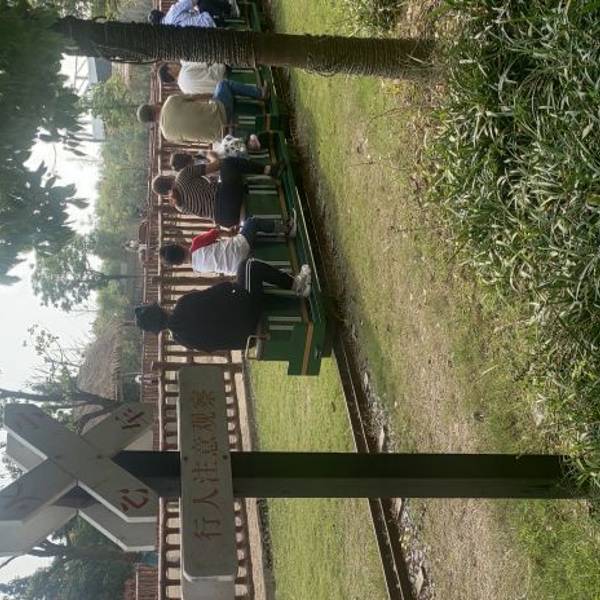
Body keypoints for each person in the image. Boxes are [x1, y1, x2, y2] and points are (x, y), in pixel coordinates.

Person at [134, 259, 312, 352]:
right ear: (159, 309)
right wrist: (232, 285)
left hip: (248, 338)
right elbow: (216, 293)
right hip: (244, 312)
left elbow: (212, 346)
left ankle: (300, 303)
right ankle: (296, 285)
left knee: (253, 298)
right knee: (248, 266)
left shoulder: (181, 340)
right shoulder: (182, 305)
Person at [152, 155, 282, 227]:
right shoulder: (182, 175)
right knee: (228, 163)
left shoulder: (178, 206)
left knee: (230, 182)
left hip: (226, 220)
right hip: (227, 198)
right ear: (167, 177)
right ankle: (267, 170)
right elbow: (218, 165)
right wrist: (211, 155)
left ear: (164, 194)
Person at [159, 214, 296, 276]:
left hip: (238, 269)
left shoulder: (197, 269)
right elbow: (216, 232)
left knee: (247, 243)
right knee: (252, 222)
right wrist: (230, 232)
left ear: (179, 263)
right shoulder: (195, 244)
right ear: (179, 246)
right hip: (240, 247)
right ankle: (287, 229)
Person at [136, 80, 268, 144]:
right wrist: (213, 96)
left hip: (222, 136)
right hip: (220, 110)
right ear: (152, 106)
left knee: (221, 132)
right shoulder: (170, 101)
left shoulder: (167, 135)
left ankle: (251, 140)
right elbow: (196, 97)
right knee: (223, 84)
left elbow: (189, 141)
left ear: (151, 121)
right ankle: (260, 93)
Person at [147, 0, 239, 27]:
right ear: (161, 12)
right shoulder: (171, 13)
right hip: (212, 20)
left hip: (208, 36)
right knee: (201, 2)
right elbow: (191, 1)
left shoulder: (168, 34)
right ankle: (231, 10)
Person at [158, 61, 227, 95]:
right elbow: (205, 61)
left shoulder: (184, 90)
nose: (175, 63)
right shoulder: (185, 70)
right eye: (171, 64)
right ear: (170, 72)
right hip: (223, 71)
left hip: (223, 89)